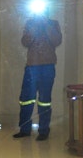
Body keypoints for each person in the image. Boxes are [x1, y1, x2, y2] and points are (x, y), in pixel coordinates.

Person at [12, 11, 62, 141]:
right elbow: (25, 42)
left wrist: (46, 24)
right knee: (26, 99)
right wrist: (34, 27)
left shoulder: (53, 23)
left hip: (48, 66)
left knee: (45, 100)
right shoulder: (30, 23)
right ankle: (24, 129)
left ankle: (44, 131)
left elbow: (57, 41)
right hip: (32, 66)